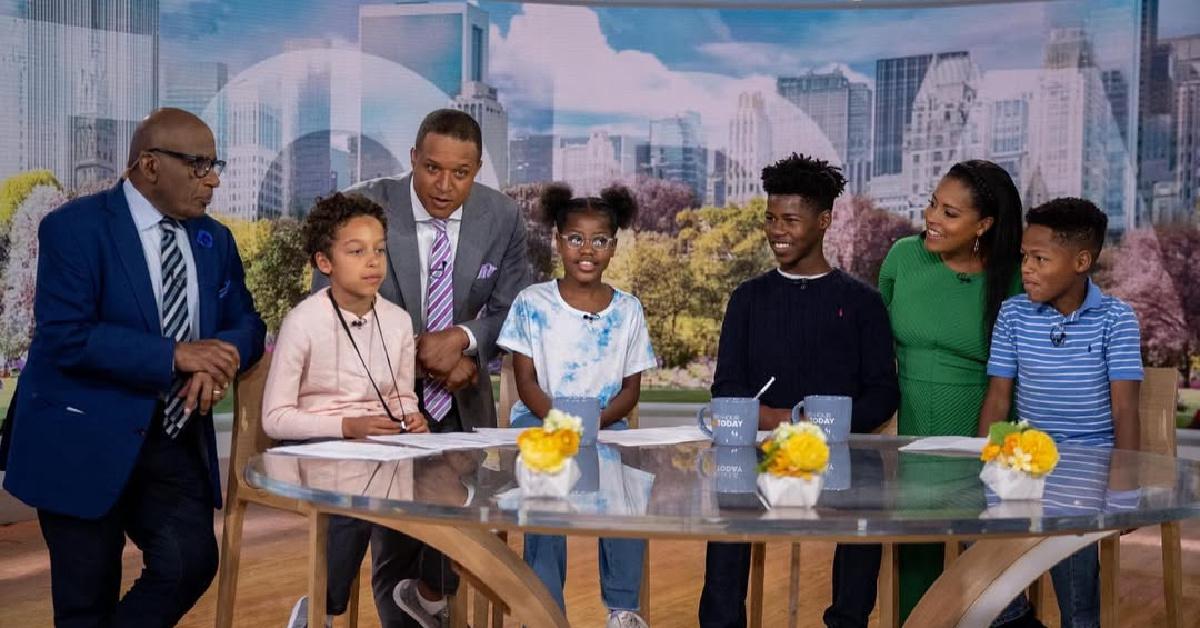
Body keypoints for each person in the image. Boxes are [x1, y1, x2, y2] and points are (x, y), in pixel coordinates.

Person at [2, 108, 266, 627]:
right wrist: (174, 354)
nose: (212, 178)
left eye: (216, 165)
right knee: (86, 602)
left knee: (190, 562)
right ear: (148, 165)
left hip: (170, 441)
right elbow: (65, 337)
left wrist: (220, 356)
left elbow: (247, 323)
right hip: (81, 438)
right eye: (198, 165)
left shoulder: (214, 239)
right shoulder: (74, 229)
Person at [321, 108, 531, 627]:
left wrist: (465, 340)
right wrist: (422, 354)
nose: (444, 185)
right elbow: (328, 309)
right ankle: (324, 604)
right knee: (391, 526)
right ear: (413, 158)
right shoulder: (363, 207)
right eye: (432, 168)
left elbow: (516, 311)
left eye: (460, 173)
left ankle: (428, 596)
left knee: (454, 521)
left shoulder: (501, 217)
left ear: (477, 169)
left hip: (459, 407)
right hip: (374, 400)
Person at [699, 153, 899, 628]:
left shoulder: (863, 303)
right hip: (760, 453)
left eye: (790, 219)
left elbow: (883, 396)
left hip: (841, 456)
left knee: (864, 515)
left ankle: (848, 623)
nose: (776, 230)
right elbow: (727, 387)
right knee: (729, 499)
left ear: (824, 220)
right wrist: (783, 423)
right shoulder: (746, 299)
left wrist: (821, 427)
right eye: (770, 218)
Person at [262, 192, 431, 627]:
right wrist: (347, 426)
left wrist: (411, 416)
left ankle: (424, 593)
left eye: (378, 250)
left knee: (443, 482)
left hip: (378, 442)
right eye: (356, 251)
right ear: (325, 262)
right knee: (355, 495)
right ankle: (322, 608)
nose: (372, 261)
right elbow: (275, 418)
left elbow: (400, 395)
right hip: (317, 441)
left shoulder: (397, 320)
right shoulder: (304, 320)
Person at [497, 183, 657, 628]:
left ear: (614, 246)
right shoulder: (533, 303)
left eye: (600, 240)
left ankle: (623, 609)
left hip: (607, 425)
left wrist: (591, 423)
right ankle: (546, 612)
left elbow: (630, 391)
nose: (587, 250)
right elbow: (525, 381)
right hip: (540, 421)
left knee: (629, 489)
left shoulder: (628, 311)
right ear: (558, 241)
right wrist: (561, 422)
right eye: (575, 239)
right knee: (545, 488)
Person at [978, 197, 1142, 628]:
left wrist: (1124, 491)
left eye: (1039, 258)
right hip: (1024, 464)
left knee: (1077, 600)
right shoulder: (1013, 314)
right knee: (984, 579)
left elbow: (1126, 408)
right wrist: (986, 467)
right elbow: (997, 398)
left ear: (1081, 261)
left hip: (1087, 469)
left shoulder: (1116, 319)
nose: (1026, 268)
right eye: (1024, 257)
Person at [877, 159, 1024, 622]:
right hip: (914, 436)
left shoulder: (1019, 277)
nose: (932, 219)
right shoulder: (903, 257)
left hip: (987, 433)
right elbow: (877, 341)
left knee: (988, 577)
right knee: (915, 565)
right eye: (932, 205)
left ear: (984, 224)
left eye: (950, 213)